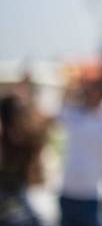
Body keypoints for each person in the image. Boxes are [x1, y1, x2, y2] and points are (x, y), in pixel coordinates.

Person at [58, 62, 102, 226]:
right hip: (69, 193)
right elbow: (59, 113)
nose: (88, 89)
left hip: (95, 197)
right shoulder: (75, 110)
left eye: (93, 84)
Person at [0, 94, 51, 226]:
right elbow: (37, 180)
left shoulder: (28, 143)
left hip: (16, 199)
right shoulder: (29, 141)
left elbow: (36, 180)